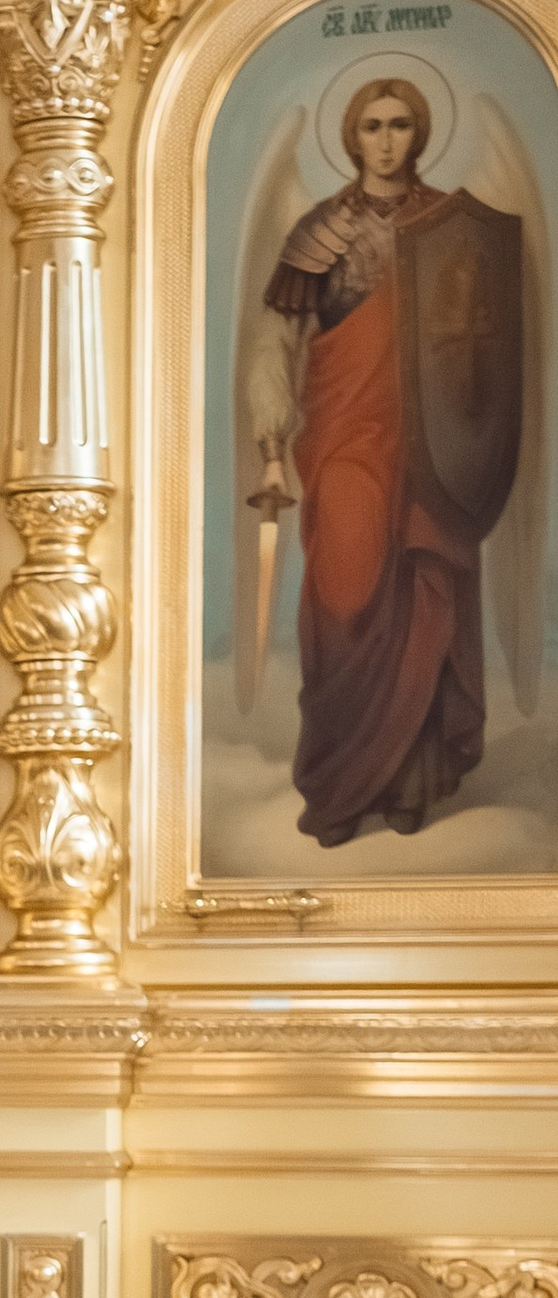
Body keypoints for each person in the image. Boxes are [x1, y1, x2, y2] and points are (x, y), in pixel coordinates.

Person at [245, 76, 523, 842]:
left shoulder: (450, 226)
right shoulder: (319, 232)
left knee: (424, 591)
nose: (387, 140)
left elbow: (479, 345)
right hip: (344, 440)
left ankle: (410, 782)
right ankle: (342, 781)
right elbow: (277, 345)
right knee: (344, 596)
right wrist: (271, 447)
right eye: (372, 126)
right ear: (352, 136)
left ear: (420, 133)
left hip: (430, 446)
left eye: (400, 124)